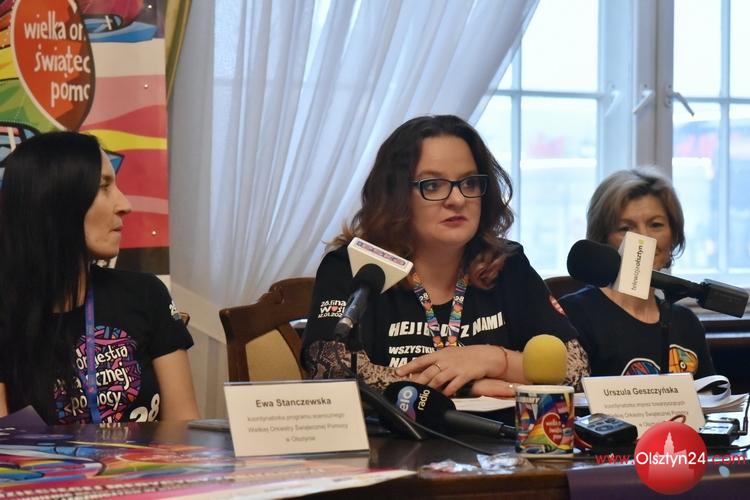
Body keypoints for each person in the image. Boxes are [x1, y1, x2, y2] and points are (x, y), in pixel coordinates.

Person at [302, 115, 588, 397]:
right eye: (433, 185)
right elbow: (331, 372)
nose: (458, 199)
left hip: (500, 429)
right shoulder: (354, 267)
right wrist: (463, 386)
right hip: (395, 429)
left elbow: (576, 369)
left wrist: (493, 359)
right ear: (395, 194)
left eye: (469, 183)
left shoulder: (507, 263)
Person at [0, 131, 200, 424]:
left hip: (149, 457)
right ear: (54, 200)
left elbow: (184, 424)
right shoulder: (7, 311)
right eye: (103, 187)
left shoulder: (146, 294)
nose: (125, 204)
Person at [559, 168, 715, 378]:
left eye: (656, 225)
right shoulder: (575, 314)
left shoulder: (685, 322)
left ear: (674, 236)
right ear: (603, 240)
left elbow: (710, 394)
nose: (644, 238)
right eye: (626, 228)